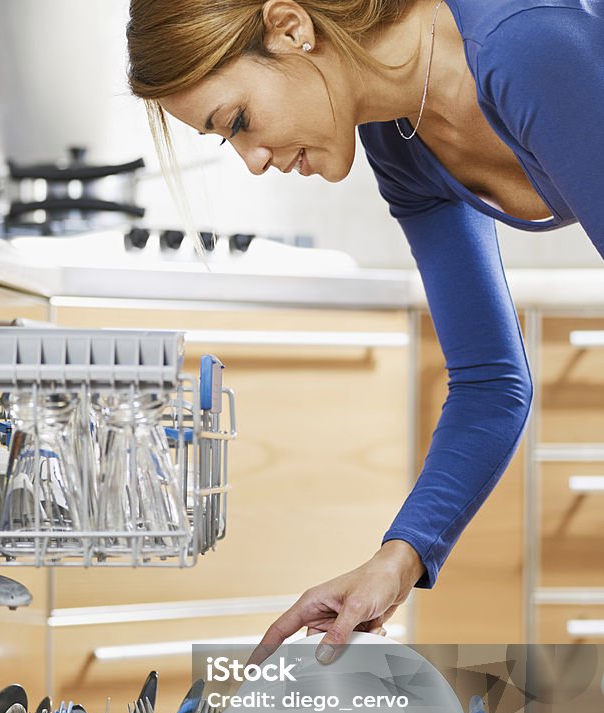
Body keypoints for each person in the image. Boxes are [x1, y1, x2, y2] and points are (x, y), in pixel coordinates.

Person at [126, 0, 604, 664]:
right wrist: (397, 559)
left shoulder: (520, 46)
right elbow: (489, 383)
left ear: (290, 28)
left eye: (237, 121)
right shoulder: (400, 141)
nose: (252, 160)